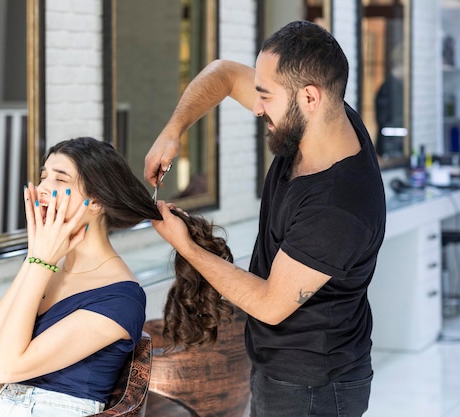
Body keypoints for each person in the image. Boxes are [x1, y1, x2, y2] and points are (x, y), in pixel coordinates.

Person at [144, 21, 386, 417]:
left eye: (266, 97)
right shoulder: (326, 118)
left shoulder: (338, 207)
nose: (256, 108)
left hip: (312, 388)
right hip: (282, 368)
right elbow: (222, 73)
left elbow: (271, 303)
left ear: (310, 97)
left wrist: (184, 244)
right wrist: (174, 131)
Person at [0, 136, 233, 417]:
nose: (42, 188)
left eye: (60, 179)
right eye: (43, 176)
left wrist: (39, 261)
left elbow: (4, 369)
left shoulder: (120, 299)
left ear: (95, 201)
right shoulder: (43, 267)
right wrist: (36, 257)